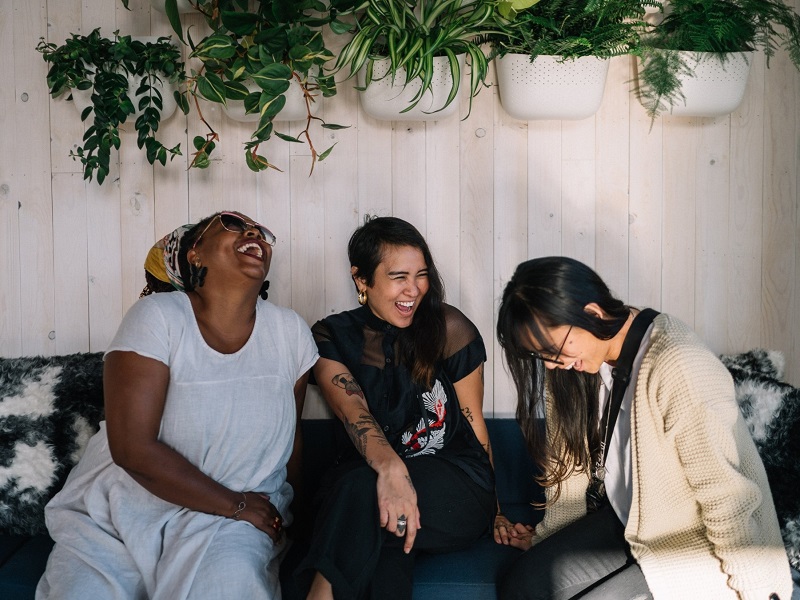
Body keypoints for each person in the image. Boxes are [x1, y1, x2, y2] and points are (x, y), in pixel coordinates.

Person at [37, 211, 318, 600]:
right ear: (195, 254)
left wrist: (301, 524)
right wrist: (236, 504)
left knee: (228, 586)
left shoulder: (290, 332)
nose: (252, 231)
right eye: (232, 224)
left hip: (229, 526)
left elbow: (291, 439)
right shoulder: (158, 317)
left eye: (259, 230)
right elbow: (132, 449)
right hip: (123, 511)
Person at [493, 256, 792, 600]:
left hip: (693, 540)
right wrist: (548, 543)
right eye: (539, 355)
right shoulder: (572, 364)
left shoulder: (678, 363)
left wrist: (757, 589)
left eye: (552, 350)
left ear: (592, 313)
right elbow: (569, 470)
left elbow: (726, 498)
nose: (550, 364)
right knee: (520, 585)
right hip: (631, 520)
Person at [296, 216, 497, 600]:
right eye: (398, 277)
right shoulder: (331, 336)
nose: (414, 289)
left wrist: (499, 511)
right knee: (379, 523)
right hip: (366, 483)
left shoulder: (448, 327)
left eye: (421, 275)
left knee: (360, 493)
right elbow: (354, 413)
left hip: (454, 485)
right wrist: (391, 471)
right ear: (361, 279)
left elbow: (474, 425)